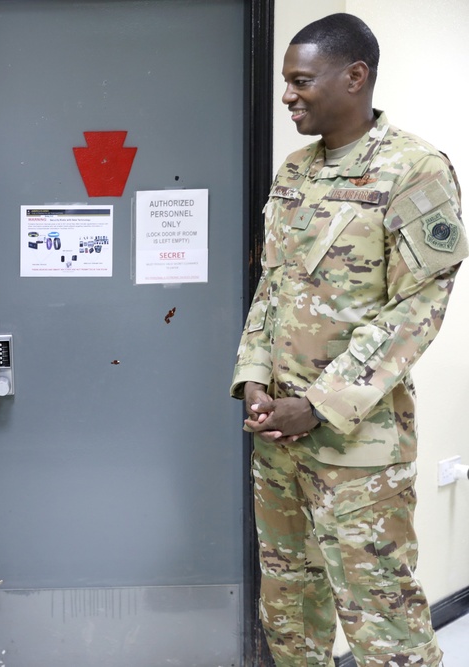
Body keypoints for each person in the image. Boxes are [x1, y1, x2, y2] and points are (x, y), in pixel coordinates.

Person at [231, 13, 465, 667]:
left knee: (383, 621)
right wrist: (253, 377)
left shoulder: (413, 170)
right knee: (288, 615)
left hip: (357, 452)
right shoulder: (295, 171)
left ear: (354, 76)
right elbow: (271, 286)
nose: (287, 96)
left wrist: (320, 403)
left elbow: (416, 308)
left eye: (301, 80)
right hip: (278, 443)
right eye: (286, 82)